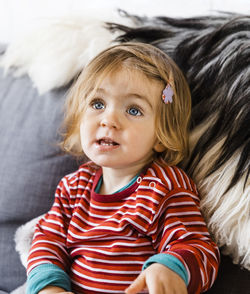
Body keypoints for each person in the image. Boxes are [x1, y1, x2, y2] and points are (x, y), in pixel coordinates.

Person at [26, 43, 220, 294]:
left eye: (133, 110)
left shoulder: (164, 186)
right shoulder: (72, 188)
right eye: (97, 104)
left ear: (161, 136)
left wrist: (172, 268)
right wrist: (48, 286)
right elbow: (47, 241)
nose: (109, 120)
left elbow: (199, 248)